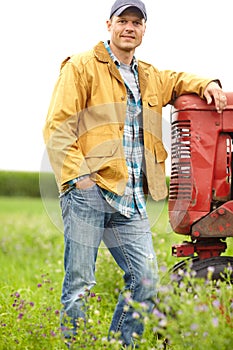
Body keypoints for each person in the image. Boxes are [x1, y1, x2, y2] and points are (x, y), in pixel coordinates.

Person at [43, 0, 227, 347]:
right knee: (80, 283)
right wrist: (79, 178)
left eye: (136, 22)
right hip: (89, 191)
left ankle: (121, 345)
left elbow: (179, 80)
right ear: (108, 24)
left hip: (131, 198)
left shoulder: (150, 76)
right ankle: (76, 345)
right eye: (123, 20)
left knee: (145, 281)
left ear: (144, 30)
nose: (129, 27)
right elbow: (57, 126)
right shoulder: (81, 66)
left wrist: (208, 83)